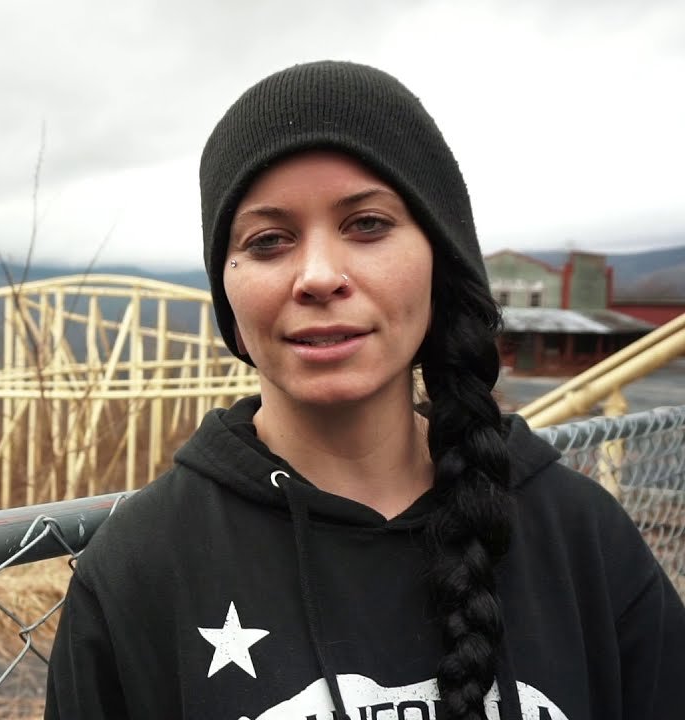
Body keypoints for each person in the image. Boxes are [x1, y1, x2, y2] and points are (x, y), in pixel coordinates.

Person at [44, 60, 685, 720]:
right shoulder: (140, 573)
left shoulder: (579, 536)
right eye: (268, 242)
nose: (318, 276)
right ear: (228, 295)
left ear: (441, 259)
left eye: (369, 225)